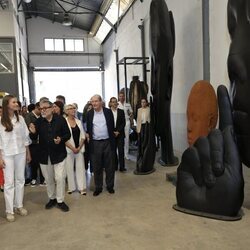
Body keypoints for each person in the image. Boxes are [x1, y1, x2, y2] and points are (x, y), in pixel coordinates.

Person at [29, 99, 71, 212]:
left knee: (60, 178)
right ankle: (52, 198)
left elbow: (68, 134)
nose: (43, 111)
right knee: (49, 179)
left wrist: (61, 139)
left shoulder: (60, 120)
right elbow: (33, 138)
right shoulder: (38, 122)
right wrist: (32, 132)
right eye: (41, 109)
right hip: (44, 155)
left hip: (58, 154)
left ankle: (60, 200)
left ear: (52, 108)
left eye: (45, 108)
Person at [0, 95, 31, 222]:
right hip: (6, 154)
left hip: (21, 152)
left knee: (20, 179)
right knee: (8, 183)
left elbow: (25, 138)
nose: (16, 103)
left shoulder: (21, 119)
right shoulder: (1, 120)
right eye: (14, 102)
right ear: (7, 104)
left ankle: (19, 205)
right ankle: (9, 210)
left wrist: (28, 153)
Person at [86, 95, 115, 196]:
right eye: (92, 101)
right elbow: (88, 128)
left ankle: (110, 186)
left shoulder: (107, 112)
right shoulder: (89, 114)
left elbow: (112, 125)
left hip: (108, 142)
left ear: (101, 102)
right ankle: (98, 187)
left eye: (96, 101)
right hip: (95, 143)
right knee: (96, 166)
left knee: (109, 166)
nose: (94, 103)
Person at [65, 104, 86, 195]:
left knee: (80, 168)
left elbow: (83, 136)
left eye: (74, 108)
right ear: (66, 111)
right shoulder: (64, 122)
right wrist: (73, 148)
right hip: (69, 149)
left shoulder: (79, 122)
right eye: (70, 108)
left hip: (79, 148)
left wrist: (79, 147)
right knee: (69, 168)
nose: (73, 110)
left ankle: (81, 188)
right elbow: (64, 138)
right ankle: (71, 187)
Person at [25, 102, 45, 186]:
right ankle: (33, 178)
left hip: (41, 142)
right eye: (40, 109)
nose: (41, 111)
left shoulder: (42, 117)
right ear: (36, 108)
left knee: (42, 161)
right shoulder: (29, 116)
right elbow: (29, 128)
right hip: (32, 142)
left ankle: (42, 179)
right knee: (34, 162)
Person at [109, 97, 126, 172]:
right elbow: (107, 123)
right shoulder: (108, 112)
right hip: (111, 134)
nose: (114, 103)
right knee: (113, 151)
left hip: (120, 134)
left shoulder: (121, 111)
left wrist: (118, 131)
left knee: (121, 151)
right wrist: (113, 132)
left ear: (117, 103)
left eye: (115, 102)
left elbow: (123, 123)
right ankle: (115, 166)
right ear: (110, 103)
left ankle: (122, 167)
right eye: (113, 102)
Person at [118, 91, 133, 160]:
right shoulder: (117, 104)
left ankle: (126, 154)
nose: (121, 97)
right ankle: (119, 153)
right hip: (119, 123)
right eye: (120, 96)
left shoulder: (128, 105)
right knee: (119, 139)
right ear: (118, 97)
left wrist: (131, 121)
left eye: (123, 96)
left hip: (126, 122)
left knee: (126, 139)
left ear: (124, 97)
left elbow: (131, 114)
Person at [82, 102, 93, 172]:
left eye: (91, 109)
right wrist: (86, 135)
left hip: (93, 137)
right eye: (88, 108)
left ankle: (92, 168)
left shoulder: (94, 117)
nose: (90, 110)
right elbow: (82, 128)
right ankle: (85, 167)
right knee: (86, 154)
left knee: (93, 154)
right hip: (85, 137)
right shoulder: (82, 117)